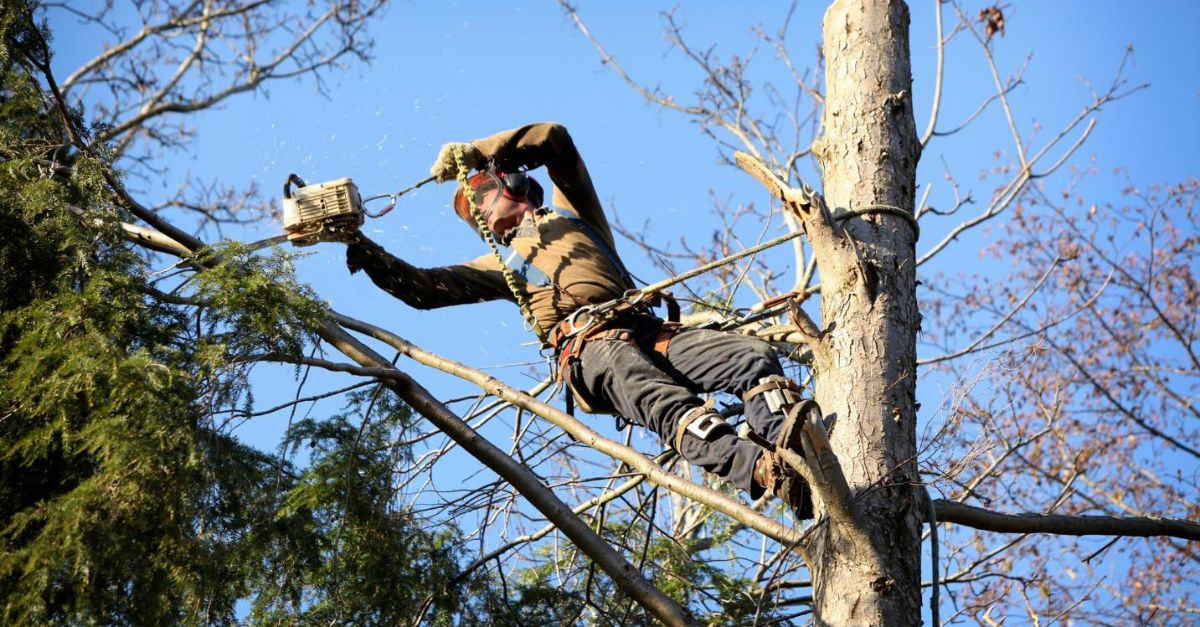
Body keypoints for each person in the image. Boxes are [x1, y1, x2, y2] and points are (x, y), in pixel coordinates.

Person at [341, 122, 817, 518]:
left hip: (647, 329)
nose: (484, 214)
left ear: (513, 183)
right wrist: (360, 246)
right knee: (665, 402)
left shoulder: (575, 214)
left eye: (484, 196)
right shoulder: (501, 267)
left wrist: (477, 152)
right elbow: (423, 289)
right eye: (477, 211)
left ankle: (795, 447)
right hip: (590, 346)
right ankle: (765, 471)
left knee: (751, 358)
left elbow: (556, 141)